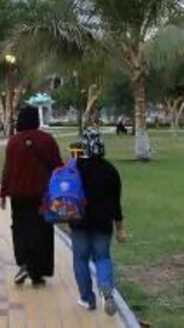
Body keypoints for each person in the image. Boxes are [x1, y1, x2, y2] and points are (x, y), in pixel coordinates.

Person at [0, 106, 63, 286]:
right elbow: (57, 166)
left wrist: (3, 193)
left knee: (20, 228)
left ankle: (24, 262)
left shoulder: (13, 142)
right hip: (42, 194)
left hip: (18, 194)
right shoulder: (47, 140)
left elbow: (8, 169)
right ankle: (38, 271)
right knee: (42, 230)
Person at [71, 129, 127, 314]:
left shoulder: (75, 168)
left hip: (79, 221)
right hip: (103, 223)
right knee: (102, 257)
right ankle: (106, 287)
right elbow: (115, 203)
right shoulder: (110, 170)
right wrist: (120, 228)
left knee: (80, 259)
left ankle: (87, 299)